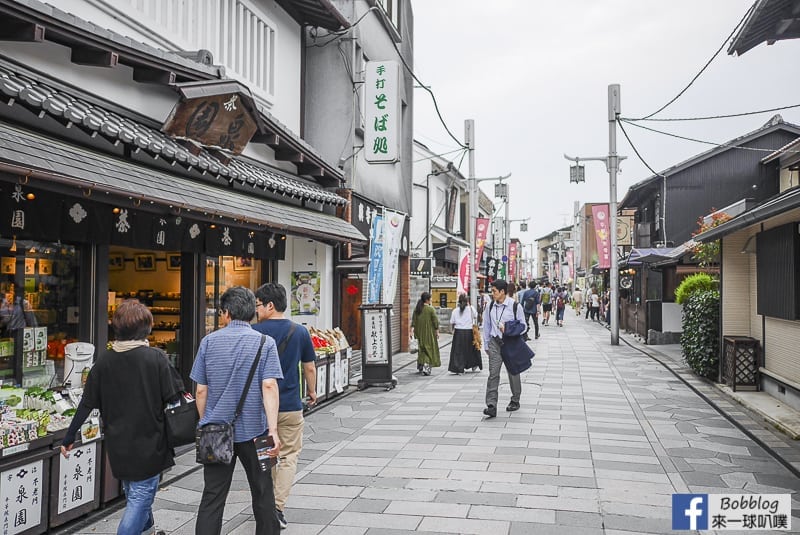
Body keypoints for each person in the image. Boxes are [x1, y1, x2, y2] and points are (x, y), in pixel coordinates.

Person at [60, 299, 181, 535]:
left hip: (118, 446)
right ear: (146, 327)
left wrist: (69, 436)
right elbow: (173, 397)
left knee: (136, 495)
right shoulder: (155, 358)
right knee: (140, 500)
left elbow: (86, 403)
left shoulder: (104, 361)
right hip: (150, 445)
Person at [191, 286, 284, 535]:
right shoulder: (266, 343)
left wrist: (206, 421)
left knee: (213, 496)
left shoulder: (208, 342)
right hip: (259, 432)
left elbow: (201, 390)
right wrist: (273, 430)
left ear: (226, 313)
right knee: (264, 492)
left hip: (216, 431)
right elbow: (269, 385)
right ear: (251, 313)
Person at [252, 283, 317, 530]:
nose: (256, 309)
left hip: (260, 407)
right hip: (290, 404)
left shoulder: (254, 332)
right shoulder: (299, 332)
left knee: (265, 458)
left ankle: (267, 506)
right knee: (289, 456)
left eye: (258, 304)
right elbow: (309, 366)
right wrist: (312, 391)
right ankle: (277, 507)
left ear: (270, 305)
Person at [481, 279, 522, 418]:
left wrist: (509, 329)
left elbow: (523, 326)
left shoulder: (515, 306)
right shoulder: (490, 306)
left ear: (502, 292)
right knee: (493, 374)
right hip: (494, 343)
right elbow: (486, 325)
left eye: (494, 291)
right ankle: (491, 405)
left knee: (513, 372)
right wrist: (486, 344)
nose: (492, 294)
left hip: (510, 343)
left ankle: (515, 399)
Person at [448, 294, 482, 374]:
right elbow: (476, 316)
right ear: (467, 302)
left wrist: (452, 331)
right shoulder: (471, 309)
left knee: (458, 351)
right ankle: (473, 364)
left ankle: (458, 367)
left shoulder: (455, 311)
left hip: (458, 332)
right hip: (469, 332)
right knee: (471, 350)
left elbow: (451, 323)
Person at [410, 292, 440, 376]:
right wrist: (437, 332)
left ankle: (420, 365)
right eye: (430, 298)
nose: (431, 300)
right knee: (428, 349)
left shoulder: (417, 309)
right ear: (427, 300)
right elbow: (435, 322)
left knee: (421, 349)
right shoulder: (430, 309)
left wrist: (411, 331)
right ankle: (426, 367)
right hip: (428, 333)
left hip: (418, 333)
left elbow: (413, 321)